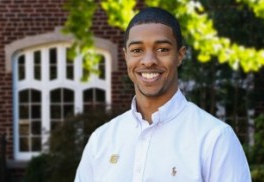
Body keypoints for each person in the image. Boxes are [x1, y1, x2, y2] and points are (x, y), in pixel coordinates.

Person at [74, 7, 251, 182]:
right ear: (126, 56)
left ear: (180, 55)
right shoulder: (101, 140)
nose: (149, 60)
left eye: (162, 49)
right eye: (137, 50)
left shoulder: (214, 138)